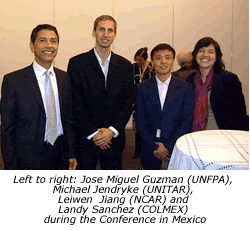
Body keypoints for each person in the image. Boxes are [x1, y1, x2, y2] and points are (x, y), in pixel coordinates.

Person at [1, 24, 77, 170]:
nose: (49, 45)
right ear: (32, 46)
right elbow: (7, 130)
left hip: (60, 155)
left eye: (53, 41)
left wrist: (71, 154)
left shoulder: (64, 78)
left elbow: (68, 120)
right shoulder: (13, 81)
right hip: (28, 159)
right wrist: (11, 168)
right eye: (43, 40)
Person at [67, 15, 134, 170]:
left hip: (114, 139)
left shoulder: (125, 65)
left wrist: (112, 130)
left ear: (115, 35)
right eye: (101, 29)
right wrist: (93, 133)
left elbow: (128, 102)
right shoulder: (77, 63)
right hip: (85, 138)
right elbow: (74, 102)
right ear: (94, 32)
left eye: (110, 30)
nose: (105, 34)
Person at [135, 43, 194, 170]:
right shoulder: (142, 88)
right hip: (150, 150)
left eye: (167, 57)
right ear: (152, 61)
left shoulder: (185, 88)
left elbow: (186, 121)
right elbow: (140, 120)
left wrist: (168, 146)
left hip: (176, 149)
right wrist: (155, 147)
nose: (163, 62)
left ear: (173, 61)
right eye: (158, 58)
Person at [186, 37, 248, 131]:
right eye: (201, 51)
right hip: (194, 136)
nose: (205, 55)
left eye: (211, 52)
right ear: (195, 55)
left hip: (222, 137)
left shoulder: (228, 79)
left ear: (216, 57)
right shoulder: (189, 80)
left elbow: (239, 115)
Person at [132, 47, 154, 159]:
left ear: (145, 59)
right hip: (137, 100)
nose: (138, 62)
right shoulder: (133, 68)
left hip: (150, 100)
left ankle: (148, 148)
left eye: (140, 60)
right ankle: (137, 150)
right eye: (136, 59)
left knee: (149, 125)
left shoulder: (152, 68)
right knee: (137, 125)